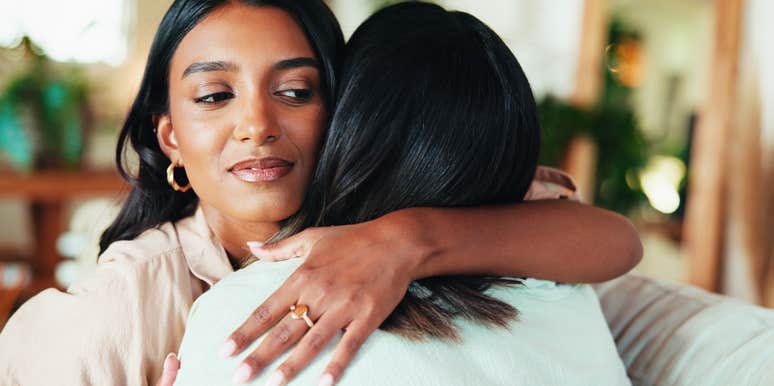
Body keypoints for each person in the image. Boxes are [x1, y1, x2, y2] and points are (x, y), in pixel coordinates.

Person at [0, 1, 639, 385]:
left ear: (346, 114)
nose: (256, 125)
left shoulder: (399, 205)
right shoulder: (125, 306)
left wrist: (409, 242)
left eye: (296, 91)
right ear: (169, 138)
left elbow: (613, 239)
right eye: (215, 96)